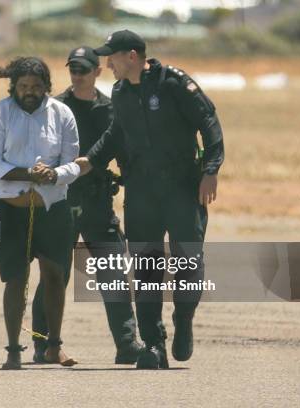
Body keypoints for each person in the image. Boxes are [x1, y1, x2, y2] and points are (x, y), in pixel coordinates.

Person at [76, 30, 224, 369]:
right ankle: (154, 346)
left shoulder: (173, 83)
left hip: (182, 189)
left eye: (111, 56)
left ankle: (183, 319)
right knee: (146, 269)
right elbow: (116, 134)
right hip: (141, 191)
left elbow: (209, 124)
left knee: (188, 263)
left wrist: (211, 170)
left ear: (131, 56)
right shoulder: (120, 91)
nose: (106, 62)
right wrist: (91, 161)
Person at [31, 46, 142, 365]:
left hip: (97, 201)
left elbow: (123, 147)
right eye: (73, 69)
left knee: (112, 272)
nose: (77, 75)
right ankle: (43, 344)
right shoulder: (54, 109)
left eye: (83, 69)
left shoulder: (111, 108)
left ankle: (126, 344)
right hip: (61, 201)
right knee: (56, 275)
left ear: (97, 72)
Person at [0, 56, 80, 370]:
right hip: (10, 211)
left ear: (46, 87)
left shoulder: (62, 114)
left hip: (52, 210)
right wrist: (28, 174)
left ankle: (54, 346)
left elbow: (73, 163)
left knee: (54, 276)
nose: (29, 92)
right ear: (13, 86)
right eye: (23, 86)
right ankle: (13, 350)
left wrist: (53, 174)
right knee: (16, 279)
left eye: (36, 86)